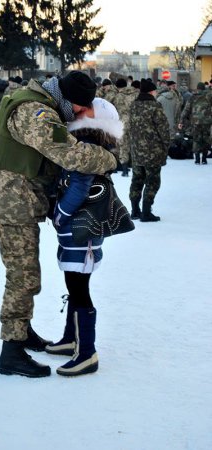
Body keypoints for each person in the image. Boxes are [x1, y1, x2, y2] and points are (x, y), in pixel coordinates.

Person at [0, 71, 118, 378]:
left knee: (25, 273)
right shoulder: (35, 112)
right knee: (23, 277)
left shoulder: (36, 102)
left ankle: (23, 332)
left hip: (20, 200)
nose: (76, 114)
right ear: (66, 98)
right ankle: (12, 351)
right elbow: (70, 153)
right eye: (77, 107)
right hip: (14, 203)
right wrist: (109, 160)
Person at [45, 98, 123, 376]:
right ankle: (71, 339)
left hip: (81, 231)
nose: (77, 109)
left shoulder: (87, 145)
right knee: (74, 285)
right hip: (78, 232)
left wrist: (60, 214)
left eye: (84, 109)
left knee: (79, 290)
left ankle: (87, 353)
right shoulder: (88, 142)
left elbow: (79, 186)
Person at [128, 78, 170, 222]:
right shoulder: (154, 106)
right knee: (152, 181)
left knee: (137, 179)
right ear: (152, 91)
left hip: (136, 150)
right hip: (153, 151)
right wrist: (166, 145)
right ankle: (146, 212)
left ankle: (134, 210)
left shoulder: (133, 105)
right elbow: (163, 129)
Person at [178, 82, 212, 164]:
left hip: (195, 122)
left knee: (196, 139)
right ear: (204, 88)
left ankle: (197, 159)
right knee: (206, 139)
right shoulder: (209, 96)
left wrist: (181, 121)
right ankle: (204, 158)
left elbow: (186, 110)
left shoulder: (192, 97)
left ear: (197, 88)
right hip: (207, 122)